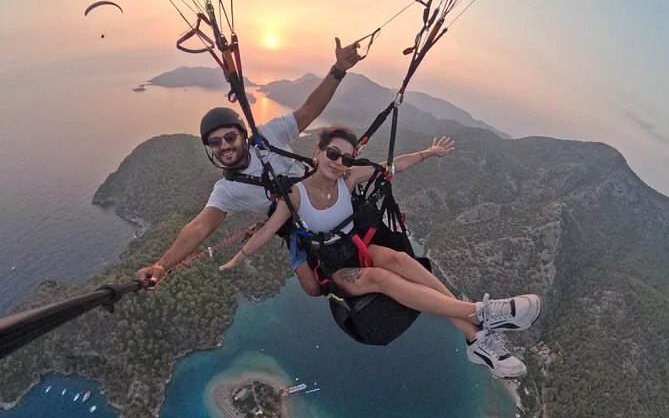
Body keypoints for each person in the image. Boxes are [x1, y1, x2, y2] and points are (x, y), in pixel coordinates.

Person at [219, 126, 541, 379]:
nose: (338, 162)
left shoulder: (349, 178)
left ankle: (475, 337)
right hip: (335, 269)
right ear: (317, 152)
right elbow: (268, 230)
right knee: (382, 279)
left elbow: (393, 166)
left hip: (359, 247)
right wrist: (239, 257)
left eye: (347, 158)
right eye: (333, 153)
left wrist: (428, 153)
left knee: (402, 259)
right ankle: (481, 313)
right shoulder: (296, 194)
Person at [137, 38, 364, 296]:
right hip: (296, 225)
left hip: (322, 191)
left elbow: (309, 110)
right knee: (312, 287)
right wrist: (161, 265)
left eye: (230, 137)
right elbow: (198, 227)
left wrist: (338, 70)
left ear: (242, 136)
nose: (224, 146)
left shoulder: (268, 136)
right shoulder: (227, 190)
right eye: (215, 142)